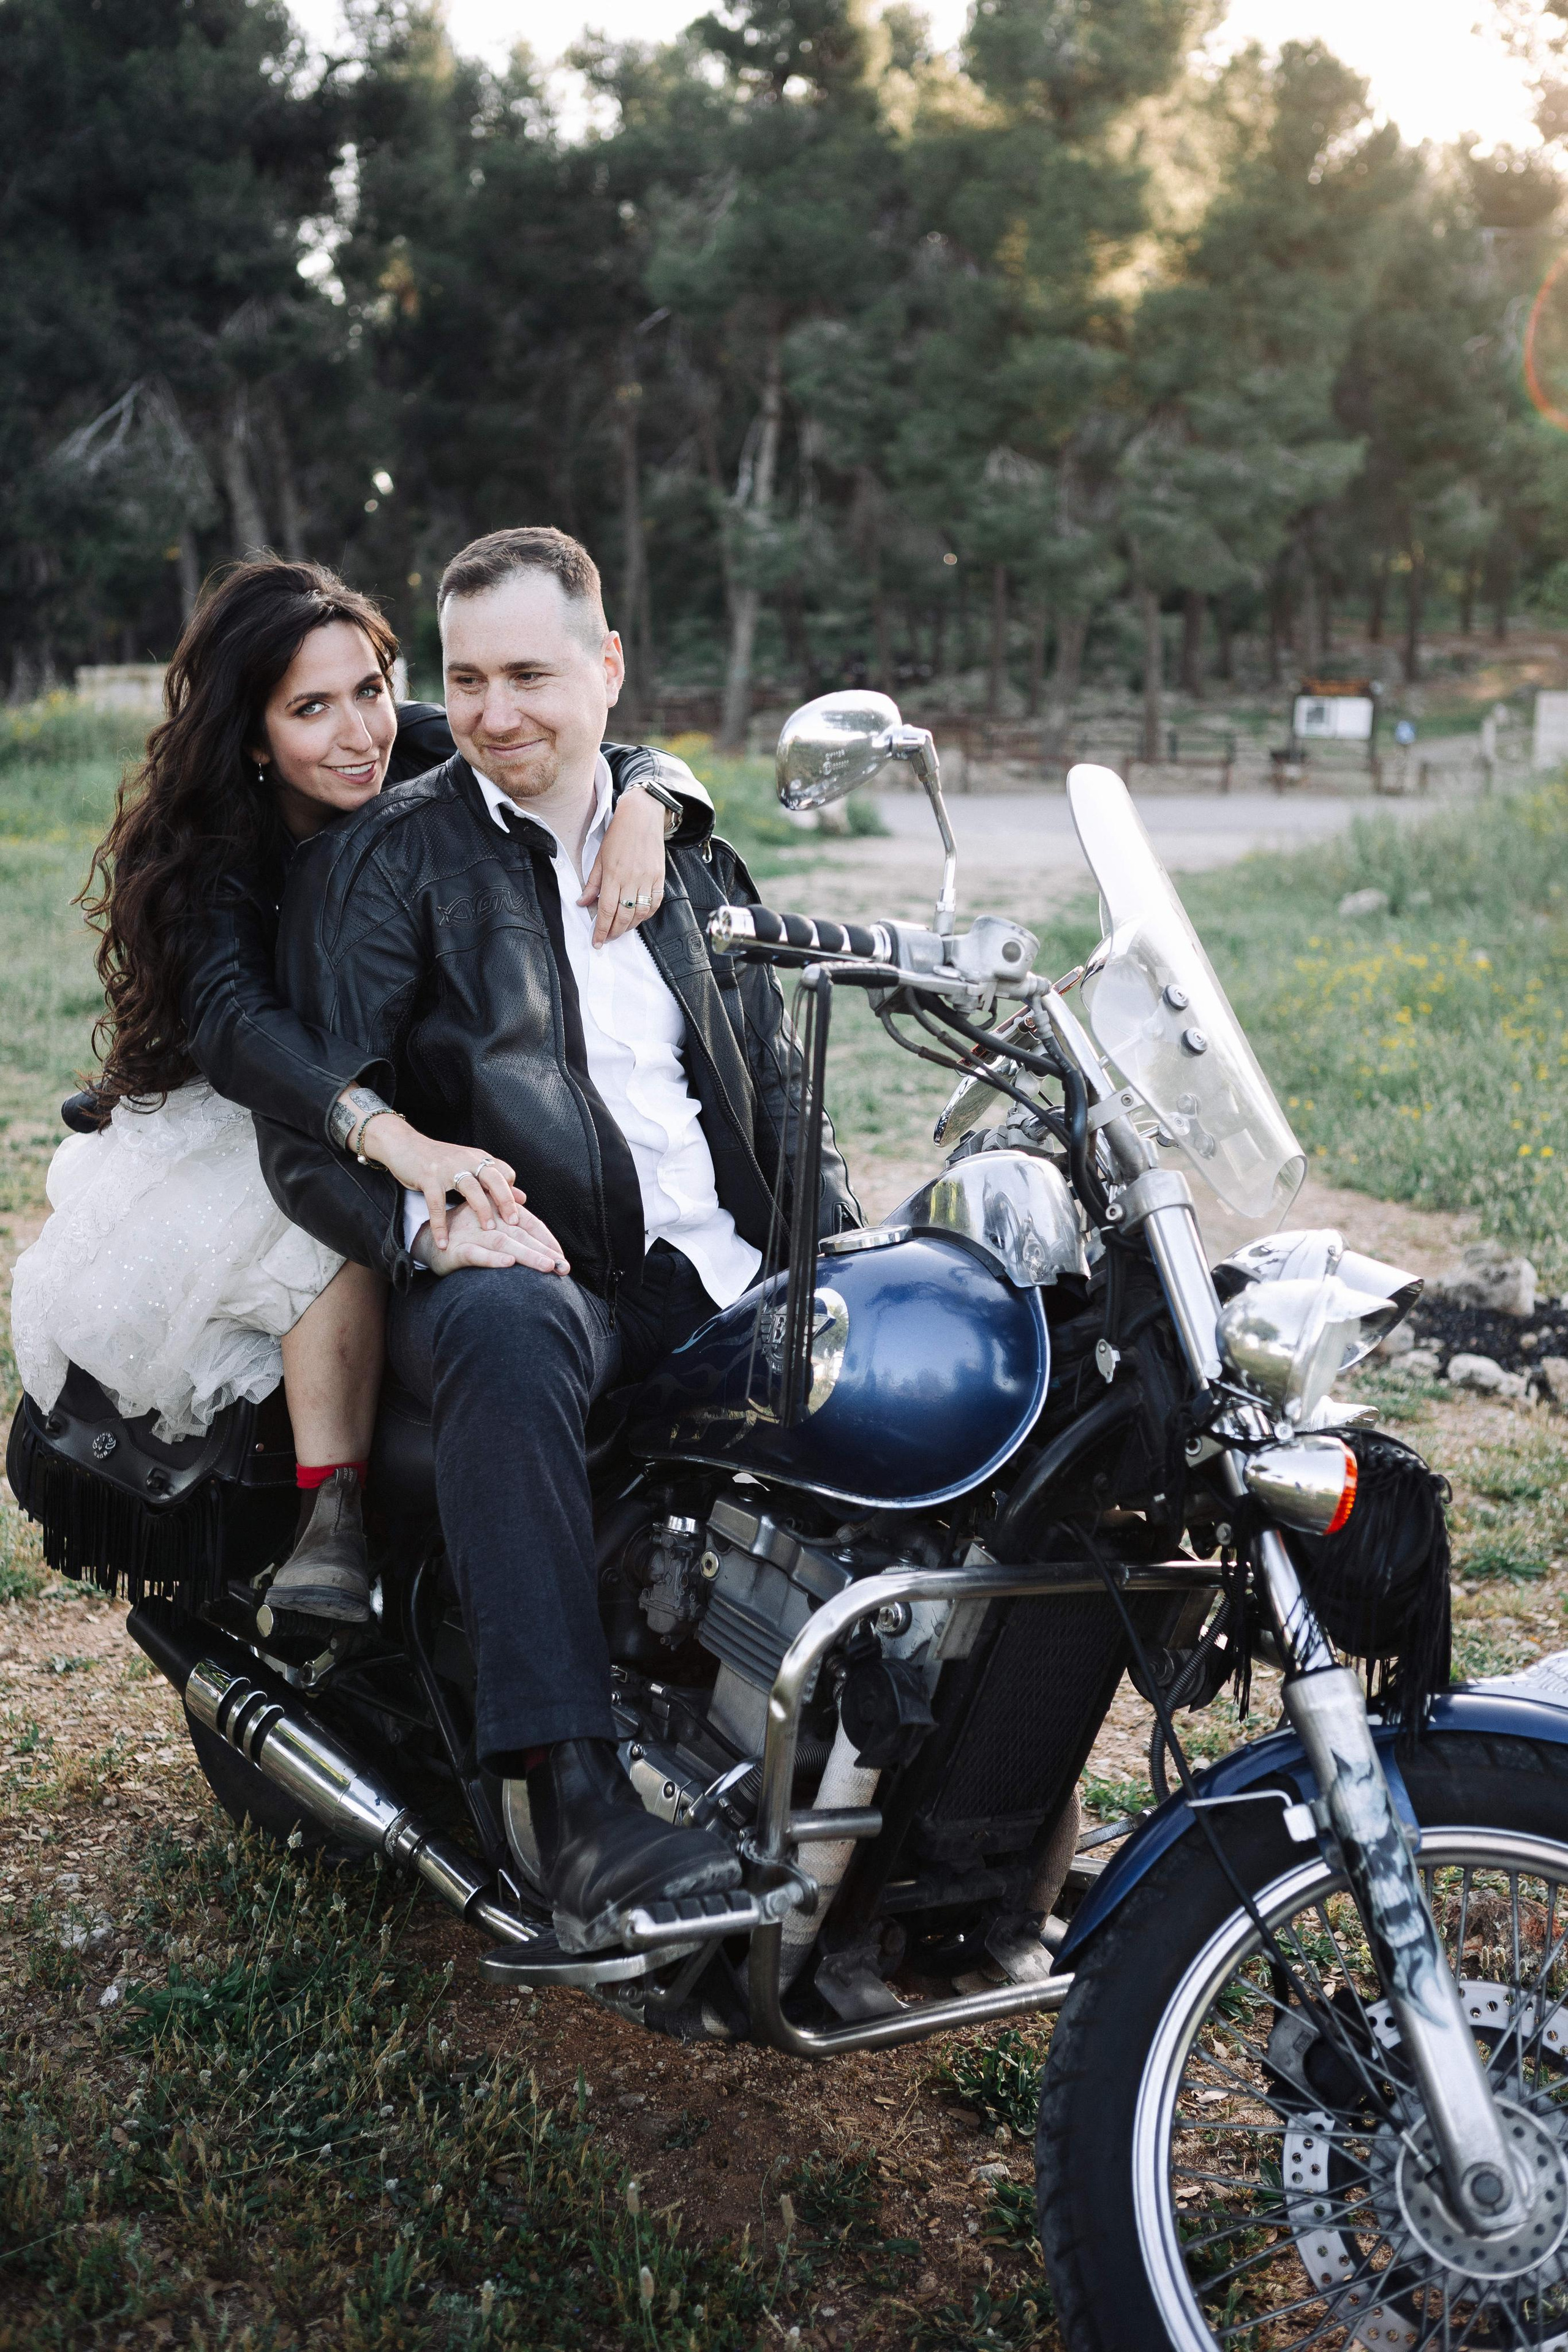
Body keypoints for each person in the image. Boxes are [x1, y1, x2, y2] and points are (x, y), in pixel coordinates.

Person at [260, 524, 858, 1951]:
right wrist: (425, 1231)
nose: (492, 715)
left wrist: (836, 1244)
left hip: (721, 1269)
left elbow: (772, 1083)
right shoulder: (388, 860)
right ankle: (574, 1801)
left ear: (608, 670)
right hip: (547, 1279)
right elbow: (308, 1130)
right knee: (504, 1321)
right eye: (465, 680)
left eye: (529, 675)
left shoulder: (685, 848)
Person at [9, 557, 696, 1625]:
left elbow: (598, 749)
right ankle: (331, 1508)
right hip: (268, 1096)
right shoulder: (214, 855)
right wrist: (387, 1135)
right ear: (253, 735)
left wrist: (650, 800)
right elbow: (241, 1023)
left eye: (369, 690)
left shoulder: (422, 744)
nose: (357, 734)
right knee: (325, 1219)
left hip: (393, 1066)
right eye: (310, 709)